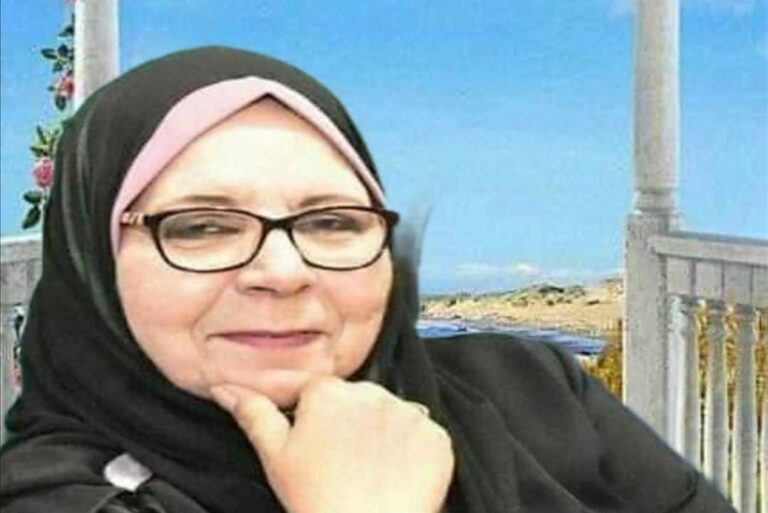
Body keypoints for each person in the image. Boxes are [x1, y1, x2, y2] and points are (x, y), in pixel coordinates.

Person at [0, 46, 736, 513]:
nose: (283, 271)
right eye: (202, 226)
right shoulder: (64, 499)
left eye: (331, 221)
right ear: (92, 263)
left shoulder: (528, 390)